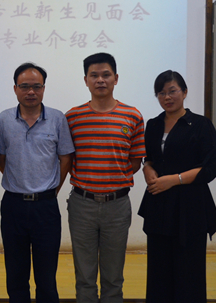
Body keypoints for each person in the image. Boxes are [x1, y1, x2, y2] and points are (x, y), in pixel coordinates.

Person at [65, 52, 146, 303]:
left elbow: (135, 161)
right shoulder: (72, 117)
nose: (100, 80)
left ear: (116, 78)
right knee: (84, 277)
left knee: (113, 277)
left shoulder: (132, 116)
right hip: (82, 205)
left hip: (117, 205)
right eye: (94, 75)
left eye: (106, 75)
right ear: (86, 80)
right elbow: (67, 160)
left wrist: (112, 180)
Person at [138, 70, 216, 303]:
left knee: (189, 272)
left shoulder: (201, 125)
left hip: (191, 207)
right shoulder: (153, 125)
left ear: (184, 92)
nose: (167, 97)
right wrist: (147, 168)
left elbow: (210, 168)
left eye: (172, 91)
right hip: (159, 205)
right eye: (161, 93)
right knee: (159, 272)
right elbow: (150, 158)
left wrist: (174, 179)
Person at [0, 63, 75, 302]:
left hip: (46, 207)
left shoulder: (57, 119)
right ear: (15, 89)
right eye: (25, 86)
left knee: (46, 275)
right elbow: (1, 159)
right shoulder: (4, 119)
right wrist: (19, 180)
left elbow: (65, 158)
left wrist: (51, 189)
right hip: (13, 205)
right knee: (16, 273)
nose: (31, 91)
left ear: (44, 88)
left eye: (37, 86)